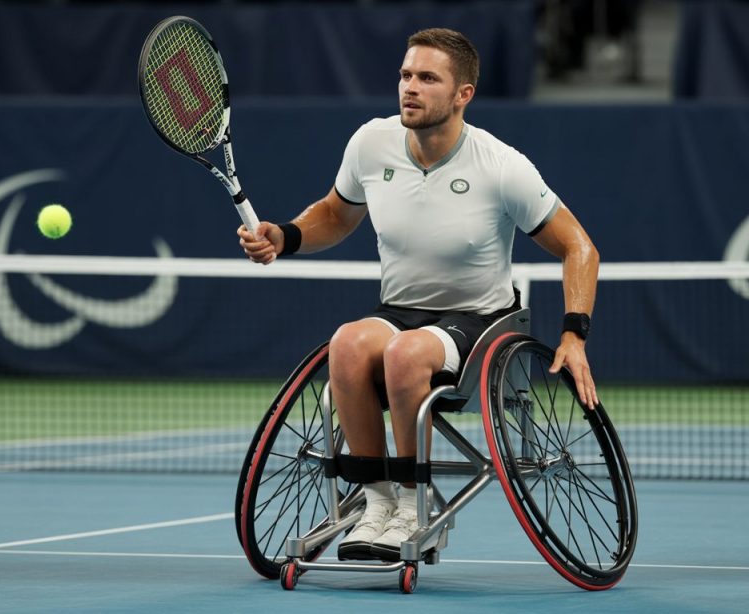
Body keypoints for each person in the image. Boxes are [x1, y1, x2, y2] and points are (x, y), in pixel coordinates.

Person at [238, 28, 599, 562]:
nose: (410, 87)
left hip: (480, 322)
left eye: (428, 78)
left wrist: (575, 333)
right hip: (401, 310)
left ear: (462, 95)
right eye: (406, 75)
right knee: (347, 343)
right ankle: (377, 500)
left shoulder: (502, 167)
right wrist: (286, 236)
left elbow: (579, 246)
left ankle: (413, 501)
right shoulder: (371, 143)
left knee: (406, 355)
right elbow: (336, 215)